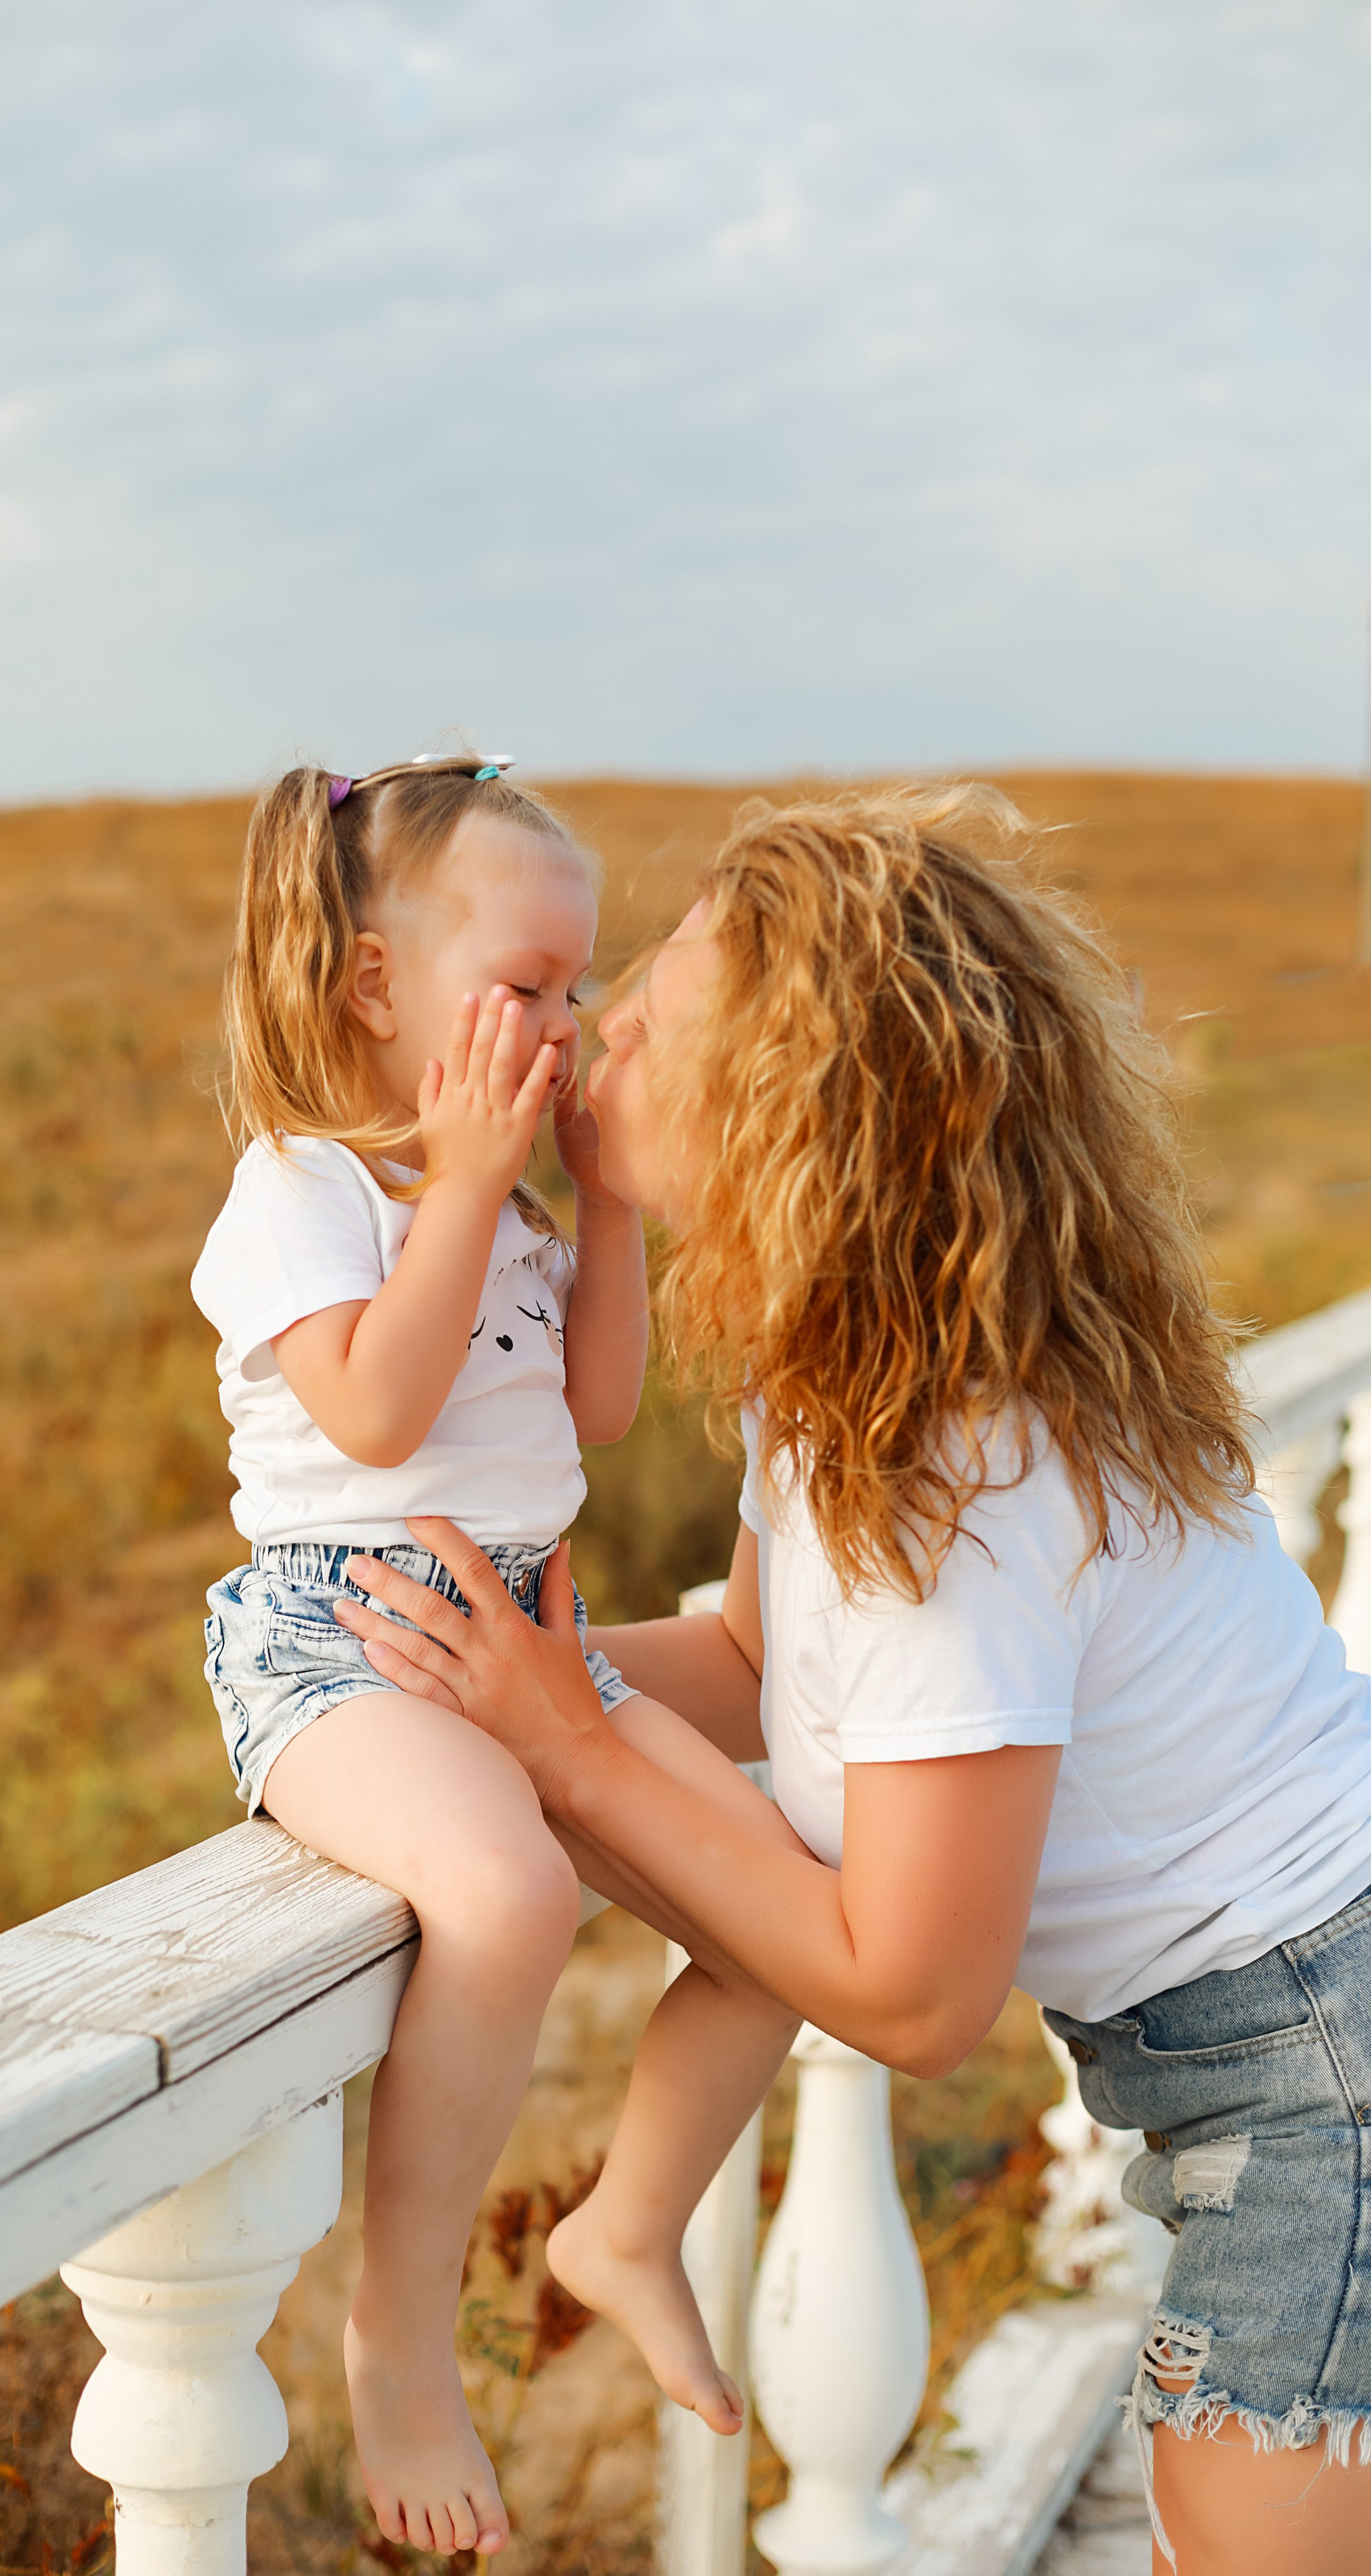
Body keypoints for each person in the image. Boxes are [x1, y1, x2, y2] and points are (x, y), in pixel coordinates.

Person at [334, 784, 1371, 2576]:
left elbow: (910, 1994)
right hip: (1265, 2046)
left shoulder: (951, 1469)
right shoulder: (850, 1386)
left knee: (1247, 2526)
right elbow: (755, 1662)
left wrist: (571, 1744)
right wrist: (472, 1678)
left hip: (1322, 2066)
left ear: (794, 1121)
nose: (592, 1034)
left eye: (651, 1024)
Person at [192, 755, 802, 2561]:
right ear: (378, 983)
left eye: (576, 984)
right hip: (349, 1644)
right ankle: (400, 2326)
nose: (561, 1023)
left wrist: (596, 1201)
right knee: (509, 1894)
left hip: (523, 1635)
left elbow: (598, 1408)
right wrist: (462, 1183)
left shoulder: (521, 1221)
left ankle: (624, 2221)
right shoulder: (301, 1186)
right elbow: (375, 1412)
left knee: (788, 1914)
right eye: (522, 986)